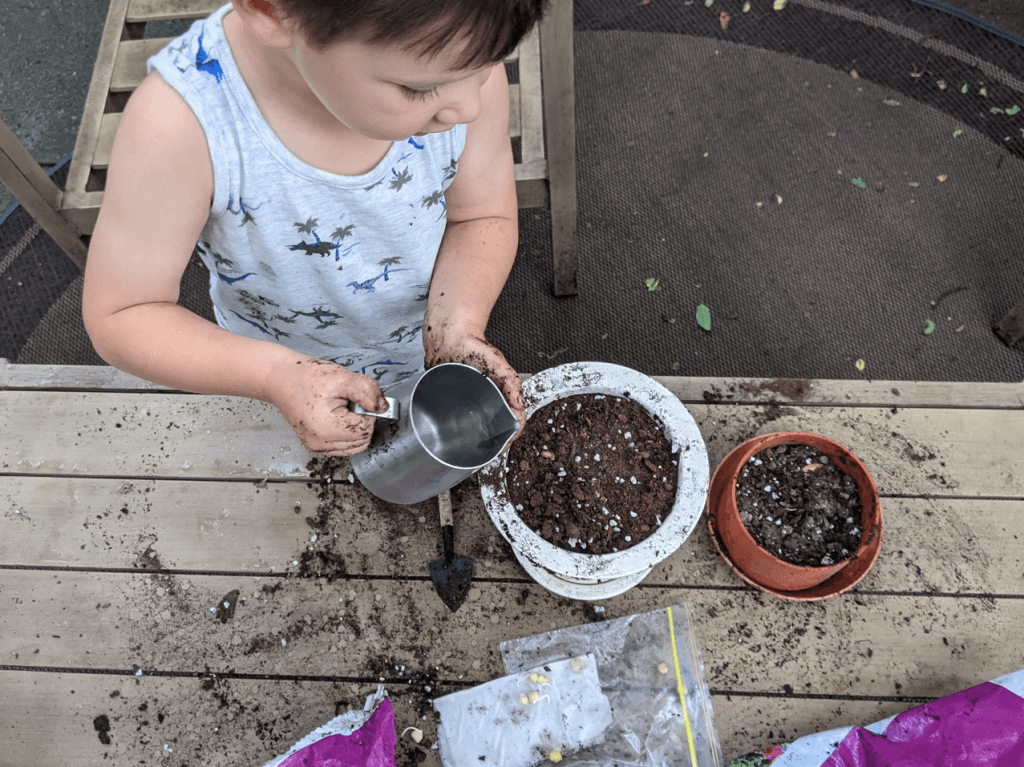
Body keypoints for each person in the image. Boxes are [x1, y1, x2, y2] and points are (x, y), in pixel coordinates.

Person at [82, 0, 542, 457]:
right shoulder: (179, 126)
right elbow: (123, 313)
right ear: (269, 11)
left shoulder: (463, 53)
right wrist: (276, 377)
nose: (469, 107)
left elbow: (480, 214)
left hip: (417, 346)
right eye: (419, 88)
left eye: (490, 64)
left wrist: (457, 324)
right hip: (264, 372)